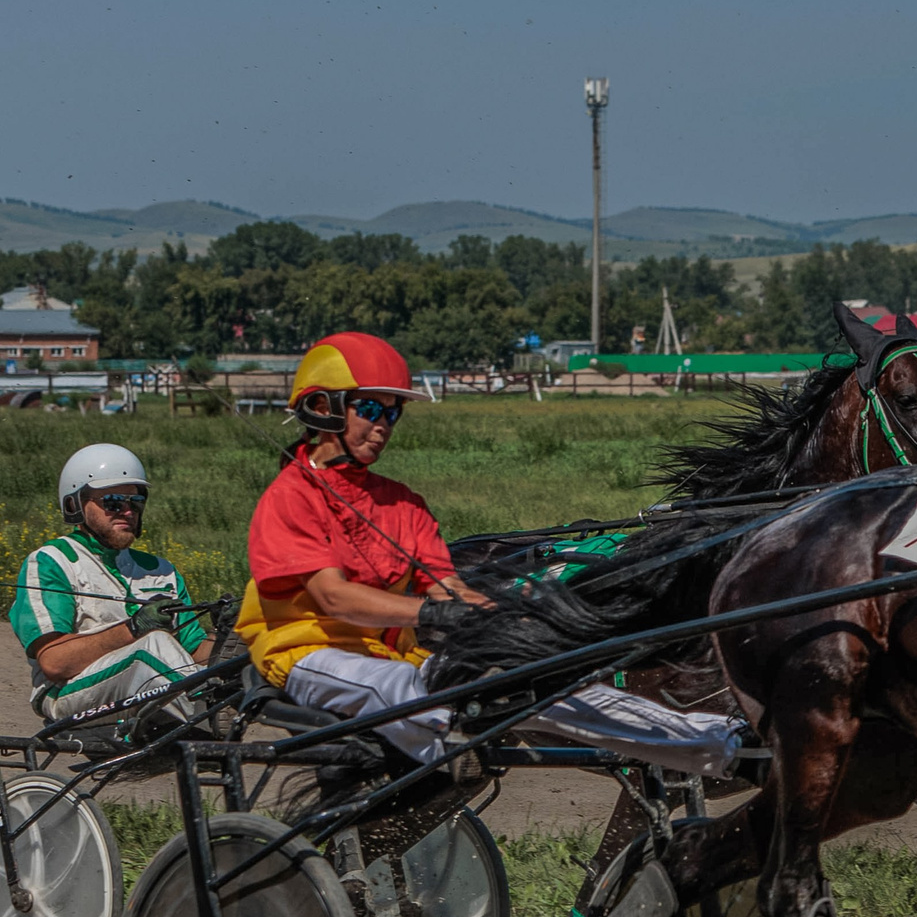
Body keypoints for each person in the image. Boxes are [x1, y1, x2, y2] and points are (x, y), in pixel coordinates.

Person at [238, 331, 747, 776]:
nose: (384, 425)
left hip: (396, 657)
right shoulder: (289, 498)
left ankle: (716, 744)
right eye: (370, 408)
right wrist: (435, 612)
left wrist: (513, 625)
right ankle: (444, 745)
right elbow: (334, 599)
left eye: (392, 411)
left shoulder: (402, 503)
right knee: (396, 688)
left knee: (532, 682)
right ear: (322, 408)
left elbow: (449, 587)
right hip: (309, 655)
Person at [9, 444, 212, 726]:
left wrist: (231, 634)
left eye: (136, 502)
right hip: (70, 695)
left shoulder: (163, 571)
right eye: (114, 502)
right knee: (151, 644)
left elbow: (193, 652)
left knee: (243, 650)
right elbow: (54, 663)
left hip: (153, 689)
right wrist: (134, 629)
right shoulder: (51, 561)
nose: (127, 512)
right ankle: (208, 710)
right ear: (75, 504)